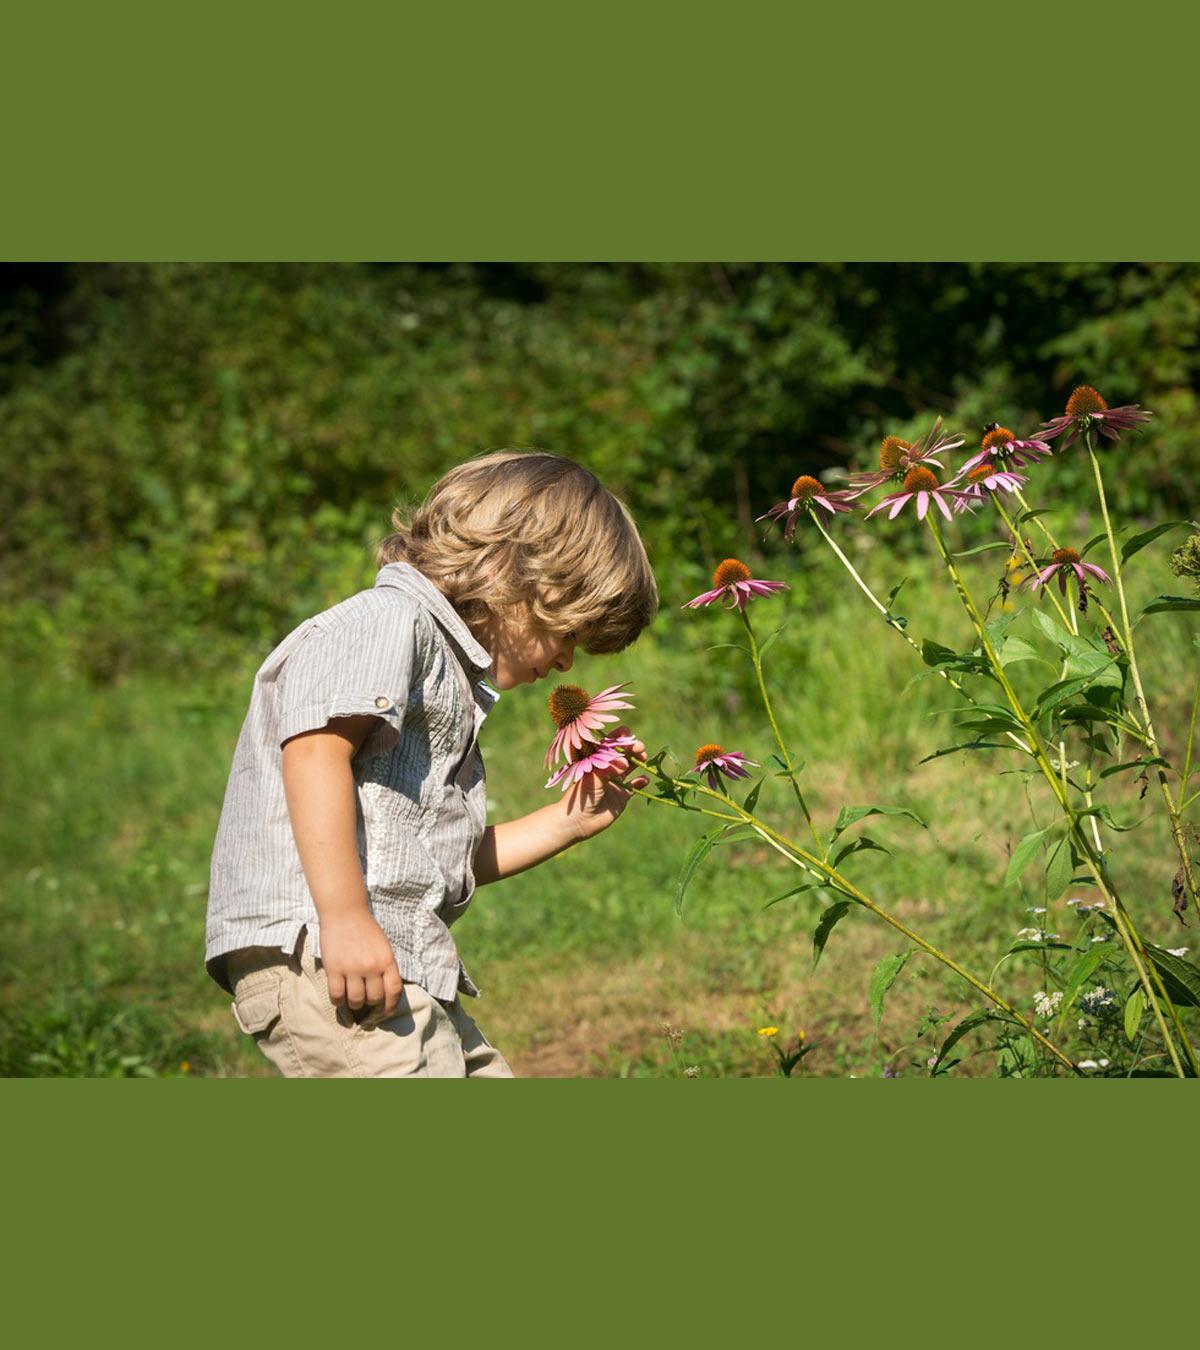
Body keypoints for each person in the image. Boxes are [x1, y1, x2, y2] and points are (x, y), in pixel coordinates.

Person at [205, 450, 658, 1077]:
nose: (566, 664)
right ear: (514, 574)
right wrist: (346, 918)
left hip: (393, 960)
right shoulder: (388, 622)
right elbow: (314, 752)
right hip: (322, 950)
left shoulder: (444, 672)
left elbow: (439, 858)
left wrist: (571, 820)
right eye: (569, 634)